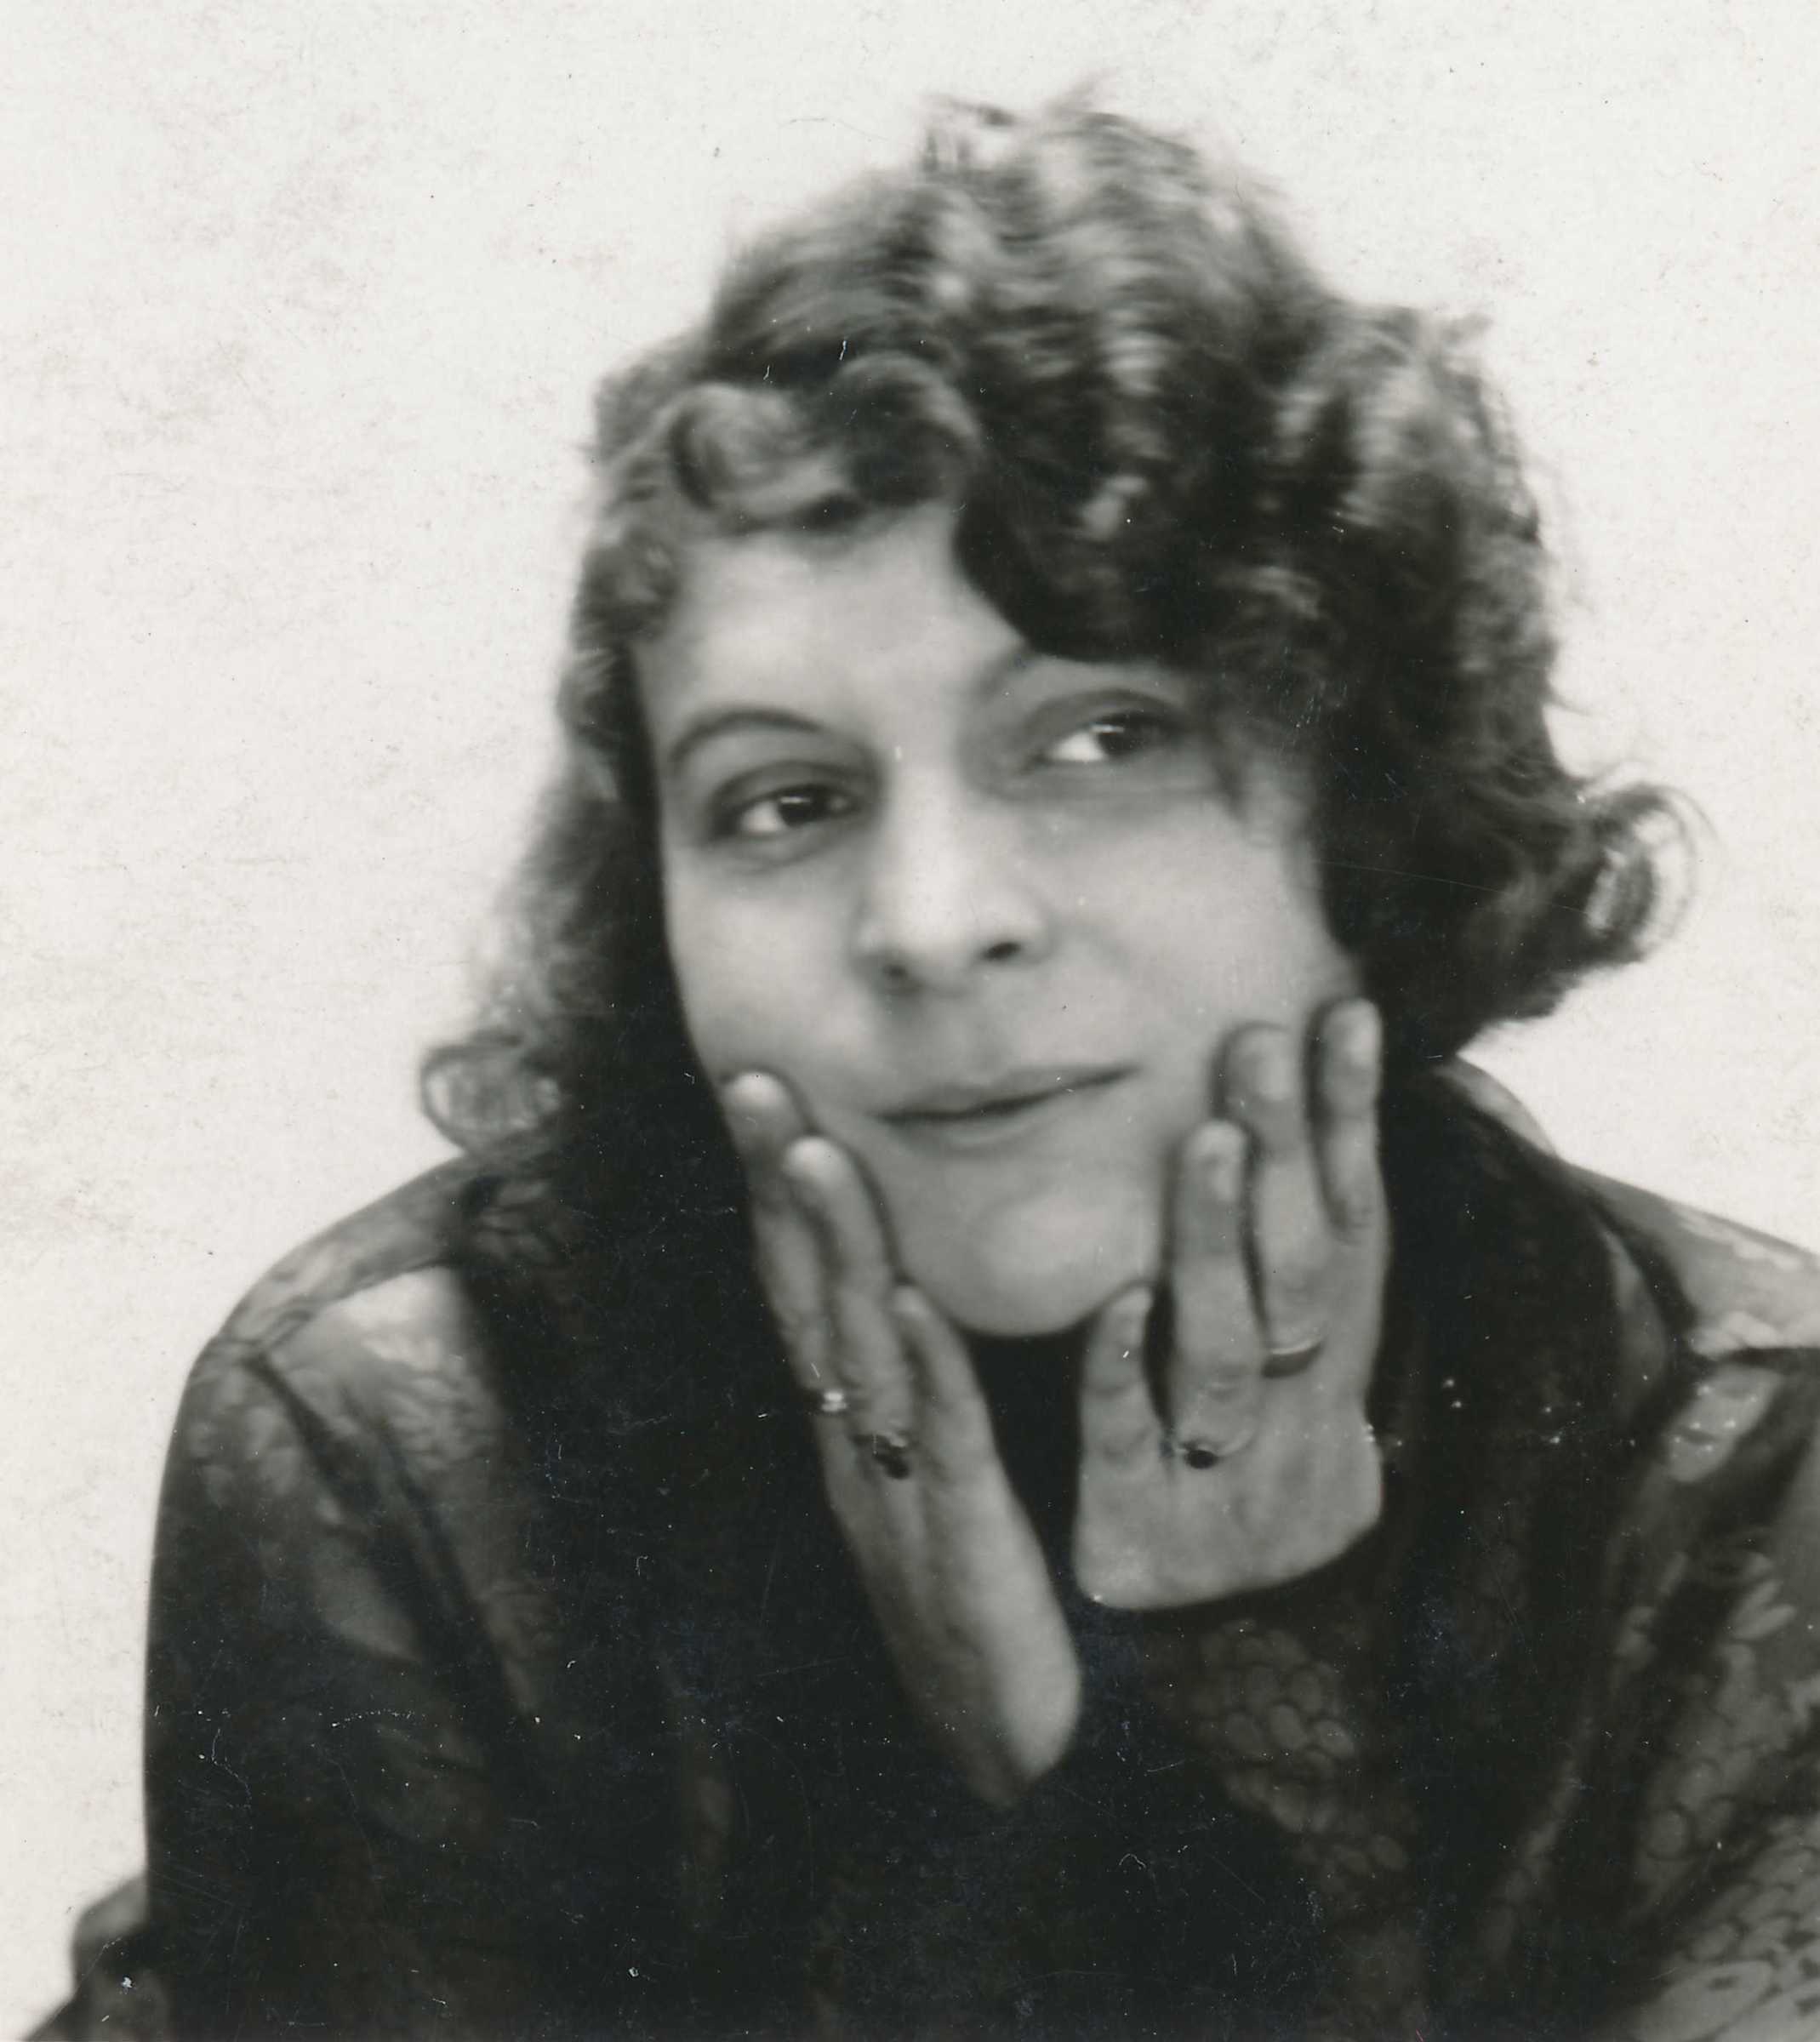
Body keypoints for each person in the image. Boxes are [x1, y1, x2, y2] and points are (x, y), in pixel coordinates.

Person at [43, 100, 1820, 2041]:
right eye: (785, 800)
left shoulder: (1737, 1477)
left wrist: (1206, 1696)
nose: (928, 921)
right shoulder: (408, 1437)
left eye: (1099, 740)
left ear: (1369, 807)